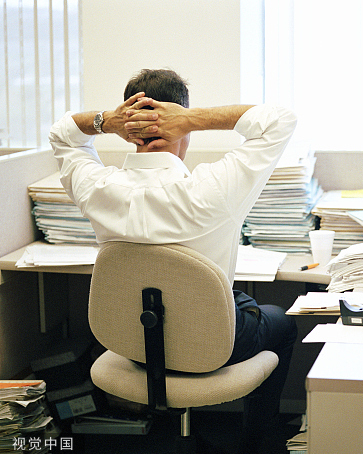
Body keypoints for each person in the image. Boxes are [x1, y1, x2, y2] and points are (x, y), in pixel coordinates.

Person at [49, 69, 298, 453]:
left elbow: (61, 134)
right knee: (280, 320)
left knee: (238, 302)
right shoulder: (213, 189)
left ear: (127, 129)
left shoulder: (99, 189)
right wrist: (192, 119)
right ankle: (257, 444)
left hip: (134, 345)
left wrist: (107, 121)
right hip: (212, 348)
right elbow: (280, 119)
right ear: (182, 125)